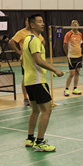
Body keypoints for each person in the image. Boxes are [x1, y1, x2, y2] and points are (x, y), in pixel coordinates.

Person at [21, 14, 64, 152]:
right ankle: (40, 142)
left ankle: (30, 138)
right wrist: (55, 70)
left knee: (35, 110)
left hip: (29, 81)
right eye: (39, 22)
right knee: (47, 110)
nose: (43, 24)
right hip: (38, 81)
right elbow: (38, 61)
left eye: (43, 21)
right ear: (32, 25)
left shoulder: (27, 39)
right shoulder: (34, 40)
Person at [9, 18, 46, 106]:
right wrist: (18, 51)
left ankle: (34, 97)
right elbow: (11, 42)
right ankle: (26, 97)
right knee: (26, 77)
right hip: (25, 60)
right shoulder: (21, 32)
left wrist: (39, 49)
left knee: (36, 77)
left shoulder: (35, 32)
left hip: (35, 59)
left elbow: (43, 41)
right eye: (27, 21)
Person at [63, 19, 83, 96]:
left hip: (79, 56)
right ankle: (66, 89)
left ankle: (75, 88)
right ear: (71, 25)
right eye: (73, 23)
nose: (75, 24)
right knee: (71, 74)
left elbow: (79, 44)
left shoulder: (80, 34)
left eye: (76, 23)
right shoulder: (68, 34)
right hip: (71, 56)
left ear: (78, 25)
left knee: (77, 73)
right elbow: (65, 45)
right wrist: (67, 54)